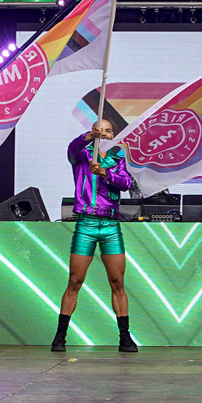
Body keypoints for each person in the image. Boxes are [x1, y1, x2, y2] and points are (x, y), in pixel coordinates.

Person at [51, 118, 139, 354]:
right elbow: (72, 149)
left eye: (109, 130)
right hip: (86, 224)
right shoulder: (82, 155)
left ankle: (125, 338)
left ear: (114, 134)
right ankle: (60, 336)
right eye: (101, 130)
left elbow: (127, 182)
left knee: (118, 282)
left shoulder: (118, 156)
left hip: (110, 224)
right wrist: (89, 137)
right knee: (75, 281)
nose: (105, 133)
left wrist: (105, 173)